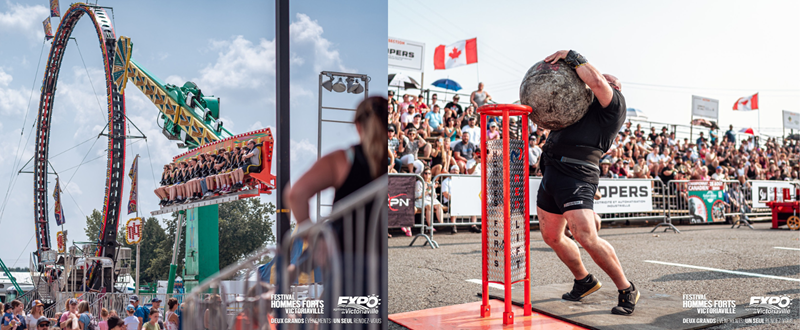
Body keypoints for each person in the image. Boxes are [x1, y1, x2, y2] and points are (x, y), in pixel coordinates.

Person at [537, 50, 638, 315]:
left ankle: (627, 289)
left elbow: (596, 82)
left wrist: (572, 55)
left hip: (577, 173)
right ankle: (584, 281)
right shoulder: (578, 109)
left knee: (584, 235)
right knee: (551, 236)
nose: (591, 88)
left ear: (612, 88)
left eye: (603, 83)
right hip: (552, 171)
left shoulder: (614, 106)